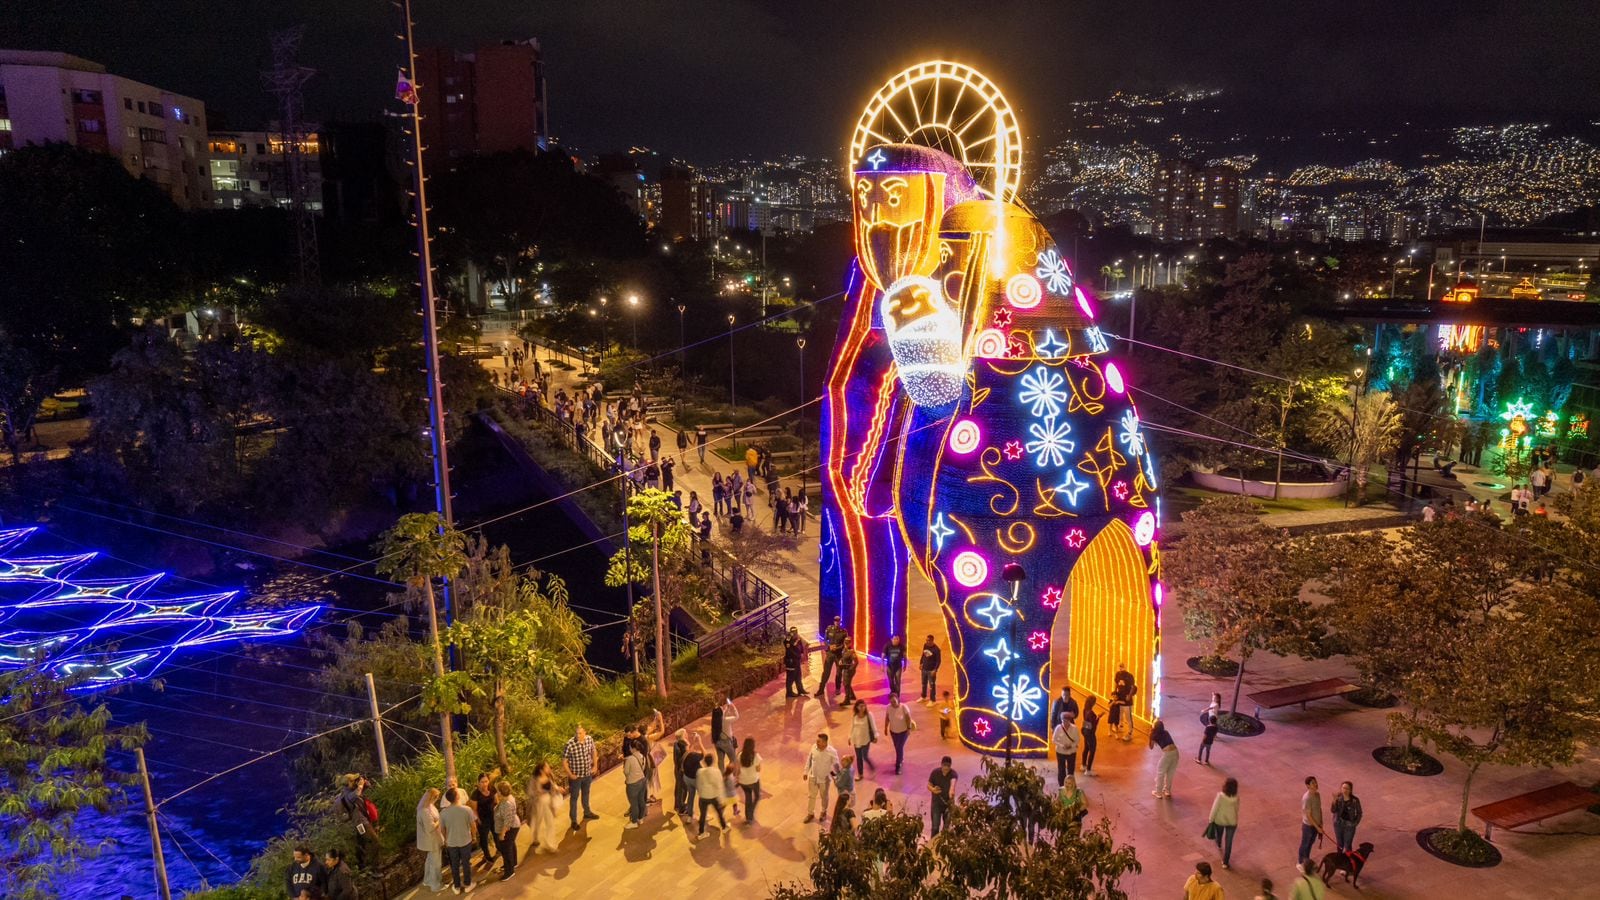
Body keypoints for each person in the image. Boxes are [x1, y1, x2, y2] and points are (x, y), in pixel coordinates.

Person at [336, 774, 378, 869]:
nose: (356, 782)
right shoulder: (347, 795)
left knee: (361, 844)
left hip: (363, 820)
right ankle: (375, 869)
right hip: (361, 823)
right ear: (349, 783)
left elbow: (368, 787)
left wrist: (365, 782)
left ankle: (362, 866)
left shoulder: (352, 790)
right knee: (374, 842)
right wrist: (360, 785)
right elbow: (356, 794)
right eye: (354, 780)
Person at [439, 787, 477, 894]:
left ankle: (457, 886)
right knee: (466, 863)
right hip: (465, 841)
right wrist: (474, 837)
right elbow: (473, 826)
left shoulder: (443, 813)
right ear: (457, 797)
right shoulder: (467, 809)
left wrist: (446, 840)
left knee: (454, 865)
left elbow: (442, 829)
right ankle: (468, 884)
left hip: (451, 843)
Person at [563, 724, 600, 831]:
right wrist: (570, 774)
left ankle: (587, 812)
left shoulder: (589, 739)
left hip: (587, 775)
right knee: (574, 798)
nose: (578, 735)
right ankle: (574, 821)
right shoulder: (570, 744)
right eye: (576, 733)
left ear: (585, 733)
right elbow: (564, 761)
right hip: (576, 777)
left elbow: (594, 751)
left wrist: (595, 766)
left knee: (586, 794)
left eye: (580, 733)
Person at [526, 761, 564, 854]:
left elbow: (552, 785)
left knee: (550, 823)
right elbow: (531, 792)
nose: (549, 768)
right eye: (546, 767)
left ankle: (550, 844)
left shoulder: (549, 776)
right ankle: (535, 838)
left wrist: (558, 789)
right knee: (537, 822)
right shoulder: (534, 779)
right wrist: (540, 793)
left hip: (548, 803)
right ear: (541, 770)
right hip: (538, 804)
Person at [802, 733, 840, 824]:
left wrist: (836, 778)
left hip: (824, 780)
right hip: (813, 777)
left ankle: (823, 812)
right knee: (811, 796)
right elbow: (809, 760)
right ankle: (810, 813)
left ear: (824, 742)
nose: (817, 743)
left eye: (819, 741)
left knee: (824, 796)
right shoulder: (814, 747)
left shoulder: (832, 752)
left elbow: (836, 766)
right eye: (817, 741)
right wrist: (805, 771)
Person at [693, 746, 729, 838]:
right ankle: (724, 827)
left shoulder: (700, 771)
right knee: (719, 812)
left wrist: (700, 794)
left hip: (703, 796)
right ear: (713, 761)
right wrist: (722, 799)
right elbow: (719, 786)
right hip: (713, 796)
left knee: (703, 815)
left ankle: (701, 833)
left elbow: (698, 784)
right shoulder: (716, 772)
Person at [414, 790, 445, 893]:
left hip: (431, 839)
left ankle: (427, 880)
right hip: (431, 840)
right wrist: (439, 820)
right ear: (432, 797)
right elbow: (430, 827)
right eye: (436, 797)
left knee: (430, 861)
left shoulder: (428, 807)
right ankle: (436, 885)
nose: (437, 799)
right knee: (436, 863)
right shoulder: (425, 811)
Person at [1209, 777, 1240, 869]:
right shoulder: (1236, 798)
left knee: (1219, 833)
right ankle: (1225, 862)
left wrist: (1211, 819)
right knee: (1229, 842)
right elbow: (1237, 809)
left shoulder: (1220, 796)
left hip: (1220, 820)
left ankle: (1219, 843)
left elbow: (1214, 808)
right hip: (1232, 822)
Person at [492, 780, 521, 880]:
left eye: (497, 791)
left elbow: (507, 822)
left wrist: (502, 834)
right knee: (511, 845)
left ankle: (509, 871)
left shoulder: (507, 804)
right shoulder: (507, 798)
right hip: (513, 825)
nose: (496, 792)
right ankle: (513, 863)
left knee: (506, 849)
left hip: (510, 828)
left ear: (500, 792)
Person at [469, 773, 498, 870]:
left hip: (493, 817)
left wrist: (498, 814)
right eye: (482, 782)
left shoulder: (492, 788)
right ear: (478, 782)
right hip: (483, 820)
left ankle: (499, 850)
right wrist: (478, 820)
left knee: (496, 834)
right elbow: (474, 810)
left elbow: (496, 801)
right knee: (484, 839)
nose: (484, 784)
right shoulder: (475, 794)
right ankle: (487, 856)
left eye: (486, 781)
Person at [884, 694, 915, 774]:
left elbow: (908, 718)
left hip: (903, 732)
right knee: (897, 747)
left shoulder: (904, 707)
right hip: (893, 732)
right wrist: (885, 727)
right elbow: (887, 718)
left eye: (894, 701)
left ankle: (898, 766)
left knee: (899, 747)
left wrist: (909, 728)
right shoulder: (889, 708)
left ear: (898, 700)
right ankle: (900, 758)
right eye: (891, 702)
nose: (893, 704)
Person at [622, 736, 649, 829]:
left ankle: (634, 821)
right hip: (642, 781)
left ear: (633, 748)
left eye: (630, 747)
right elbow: (643, 768)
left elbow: (626, 772)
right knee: (641, 800)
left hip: (632, 784)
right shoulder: (643, 757)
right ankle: (641, 818)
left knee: (634, 803)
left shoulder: (630, 759)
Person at [816, 617, 847, 698]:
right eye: (835, 621)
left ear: (840, 622)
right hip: (830, 654)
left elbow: (844, 644)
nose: (836, 622)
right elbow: (825, 640)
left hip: (838, 655)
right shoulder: (829, 629)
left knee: (839, 672)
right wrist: (829, 646)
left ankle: (837, 688)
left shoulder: (843, 632)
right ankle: (821, 689)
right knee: (826, 672)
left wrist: (837, 648)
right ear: (834, 621)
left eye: (838, 621)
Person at [1299, 776, 1326, 866]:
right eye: (1313, 783)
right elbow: (1308, 815)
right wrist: (1317, 827)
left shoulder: (1317, 795)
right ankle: (1301, 862)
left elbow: (1319, 809)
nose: (1316, 784)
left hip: (1316, 825)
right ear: (1308, 786)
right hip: (1308, 826)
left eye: (1315, 782)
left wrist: (1321, 823)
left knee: (1310, 843)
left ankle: (1306, 860)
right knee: (1305, 844)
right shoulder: (1307, 798)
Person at [927, 756, 957, 836]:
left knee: (946, 827)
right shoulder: (935, 773)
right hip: (936, 804)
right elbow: (929, 785)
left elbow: (953, 784)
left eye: (948, 766)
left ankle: (943, 841)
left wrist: (951, 791)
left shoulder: (953, 774)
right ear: (941, 765)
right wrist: (933, 789)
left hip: (948, 804)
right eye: (944, 765)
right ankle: (933, 842)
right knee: (935, 827)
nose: (946, 768)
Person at [1330, 781, 1363, 854]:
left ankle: (1348, 859)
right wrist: (1334, 801)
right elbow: (1333, 810)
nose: (1345, 790)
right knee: (1339, 844)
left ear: (1350, 790)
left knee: (1347, 845)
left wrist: (1355, 823)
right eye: (1343, 788)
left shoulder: (1354, 800)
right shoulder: (1338, 798)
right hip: (1338, 824)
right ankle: (1339, 857)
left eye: (1347, 788)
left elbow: (1359, 813)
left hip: (1349, 825)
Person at [1150, 718, 1178, 798]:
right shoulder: (1166, 732)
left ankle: (1158, 792)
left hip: (1167, 753)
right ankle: (1167, 791)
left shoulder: (1154, 735)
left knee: (1160, 772)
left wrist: (1151, 735)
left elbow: (1151, 747)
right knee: (1170, 772)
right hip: (1176, 752)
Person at [737, 737, 763, 824]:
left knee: (748, 798)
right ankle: (751, 812)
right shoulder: (756, 756)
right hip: (754, 780)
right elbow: (758, 769)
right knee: (757, 796)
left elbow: (738, 769)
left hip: (743, 781)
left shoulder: (740, 755)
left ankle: (749, 818)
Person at [849, 699, 878, 777]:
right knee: (859, 758)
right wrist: (849, 737)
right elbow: (852, 727)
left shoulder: (869, 715)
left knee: (865, 756)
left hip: (865, 739)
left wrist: (876, 735)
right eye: (860, 706)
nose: (862, 708)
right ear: (857, 707)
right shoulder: (855, 716)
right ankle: (860, 774)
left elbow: (873, 726)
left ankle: (872, 768)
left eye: (863, 706)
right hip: (856, 740)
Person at [1110, 664, 1137, 741]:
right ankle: (1120, 726)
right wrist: (1115, 691)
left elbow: (1133, 687)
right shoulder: (1117, 674)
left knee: (1128, 717)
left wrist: (1129, 696)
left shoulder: (1129, 676)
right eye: (1119, 666)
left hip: (1126, 700)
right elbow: (1116, 683)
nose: (1120, 668)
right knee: (1120, 714)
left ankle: (1130, 732)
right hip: (1120, 697)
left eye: (1122, 666)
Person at [1053, 711, 1080, 786]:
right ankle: (1061, 785)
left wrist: (1071, 746)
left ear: (1069, 721)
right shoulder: (1058, 728)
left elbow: (1077, 740)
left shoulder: (1074, 728)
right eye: (1063, 721)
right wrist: (1062, 745)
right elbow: (1054, 740)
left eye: (1066, 721)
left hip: (1071, 752)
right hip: (1060, 752)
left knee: (1071, 769)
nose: (1064, 723)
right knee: (1061, 769)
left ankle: (1070, 785)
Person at [670, 729, 691, 816]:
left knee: (679, 788)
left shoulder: (676, 743)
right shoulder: (683, 747)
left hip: (678, 770)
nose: (687, 734)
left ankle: (678, 805)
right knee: (683, 789)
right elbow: (685, 758)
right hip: (681, 771)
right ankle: (681, 808)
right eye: (686, 733)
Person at [783, 627, 807, 697]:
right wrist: (797, 656)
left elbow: (800, 646)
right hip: (791, 661)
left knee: (798, 676)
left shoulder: (798, 638)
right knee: (790, 678)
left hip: (797, 660)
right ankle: (789, 692)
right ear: (791, 633)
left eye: (796, 632)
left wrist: (801, 653)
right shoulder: (788, 640)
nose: (795, 634)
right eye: (794, 633)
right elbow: (790, 650)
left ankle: (800, 690)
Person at [1080, 696, 1100, 776]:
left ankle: (1083, 764)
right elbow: (1093, 725)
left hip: (1085, 731)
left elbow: (1086, 722)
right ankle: (1088, 769)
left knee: (1086, 748)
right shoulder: (1091, 713)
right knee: (1092, 750)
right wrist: (1098, 717)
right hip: (1090, 734)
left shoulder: (1085, 710)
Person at [918, 634, 941, 701]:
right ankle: (923, 697)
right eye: (926, 640)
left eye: (928, 640)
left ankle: (932, 700)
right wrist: (921, 663)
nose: (927, 641)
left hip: (931, 670)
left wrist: (935, 670)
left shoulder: (936, 649)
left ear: (932, 641)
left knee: (931, 685)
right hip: (924, 669)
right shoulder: (925, 645)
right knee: (923, 684)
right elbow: (923, 655)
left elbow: (938, 661)